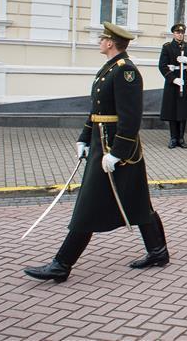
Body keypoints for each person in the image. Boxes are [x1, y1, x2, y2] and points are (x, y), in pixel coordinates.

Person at [24, 22, 168, 282]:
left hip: (117, 149)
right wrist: (84, 138)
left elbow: (131, 117)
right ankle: (158, 251)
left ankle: (61, 264)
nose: (100, 41)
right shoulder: (110, 70)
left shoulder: (126, 72)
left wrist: (117, 153)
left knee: (89, 203)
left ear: (111, 42)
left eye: (103, 38)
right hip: (102, 144)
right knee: (136, 200)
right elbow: (97, 110)